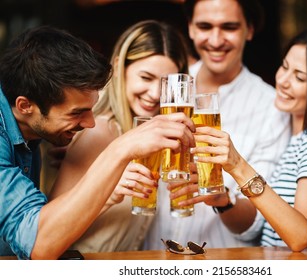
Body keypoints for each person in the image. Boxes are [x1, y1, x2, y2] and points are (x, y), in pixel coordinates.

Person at [0, 25, 195, 259]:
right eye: (77, 113)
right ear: (25, 106)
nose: (90, 123)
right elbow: (40, 243)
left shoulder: (30, 134)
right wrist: (119, 150)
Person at [191, 27, 307, 250]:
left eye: (300, 77)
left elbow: (299, 235)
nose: (283, 80)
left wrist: (237, 165)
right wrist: (224, 201)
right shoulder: (299, 138)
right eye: (284, 67)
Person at [143, 0, 291, 249]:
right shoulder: (162, 83)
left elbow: (259, 223)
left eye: (229, 27)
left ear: (250, 29)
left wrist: (224, 200)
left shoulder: (271, 107)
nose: (215, 39)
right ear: (190, 28)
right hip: (152, 256)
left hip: (221, 261)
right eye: (204, 26)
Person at [48, 20, 190, 253]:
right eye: (146, 77)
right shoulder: (100, 130)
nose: (155, 94)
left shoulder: (143, 135)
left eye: (165, 83)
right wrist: (109, 194)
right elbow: (47, 231)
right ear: (119, 67)